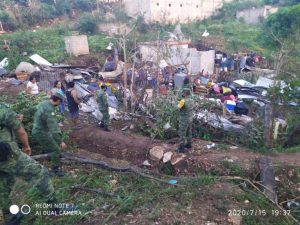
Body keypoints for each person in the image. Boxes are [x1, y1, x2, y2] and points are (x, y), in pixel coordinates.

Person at [0, 105, 55, 224]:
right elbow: (20, 131)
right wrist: (26, 146)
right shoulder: (2, 109)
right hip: (6, 157)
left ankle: (10, 218)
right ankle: (55, 207)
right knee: (40, 172)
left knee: (3, 185)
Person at [32, 91, 67, 176]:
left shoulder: (44, 103)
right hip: (41, 132)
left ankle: (47, 158)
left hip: (37, 129)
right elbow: (54, 130)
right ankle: (55, 170)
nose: (59, 104)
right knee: (56, 150)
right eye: (60, 102)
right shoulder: (49, 110)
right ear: (58, 101)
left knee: (50, 144)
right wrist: (60, 141)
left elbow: (33, 110)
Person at [177, 88, 193, 153]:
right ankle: (189, 144)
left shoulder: (183, 101)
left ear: (184, 93)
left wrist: (178, 102)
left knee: (182, 133)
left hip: (184, 119)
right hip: (190, 118)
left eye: (183, 92)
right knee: (189, 132)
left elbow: (177, 108)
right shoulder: (192, 100)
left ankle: (181, 148)